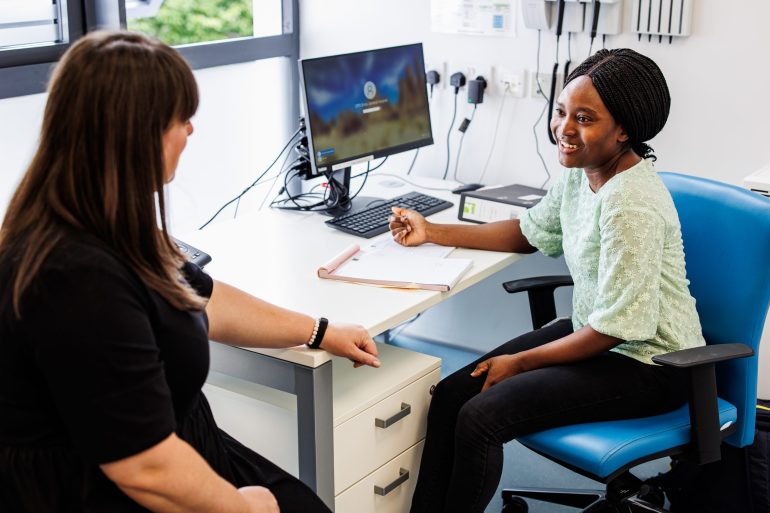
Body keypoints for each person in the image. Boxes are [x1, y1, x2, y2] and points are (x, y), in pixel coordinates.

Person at [0, 31, 381, 513]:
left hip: (184, 444)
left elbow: (200, 296)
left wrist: (320, 330)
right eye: (182, 120)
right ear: (136, 136)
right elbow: (144, 467)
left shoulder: (108, 222)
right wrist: (249, 508)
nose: (191, 132)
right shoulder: (75, 277)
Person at [388, 48, 705, 513]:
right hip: (598, 337)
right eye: (561, 113)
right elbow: (527, 233)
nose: (564, 129)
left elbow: (618, 329)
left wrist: (521, 363)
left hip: (652, 364)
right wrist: (432, 231)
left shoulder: (630, 204)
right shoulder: (583, 173)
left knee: (480, 418)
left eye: (584, 118)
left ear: (624, 130)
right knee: (455, 393)